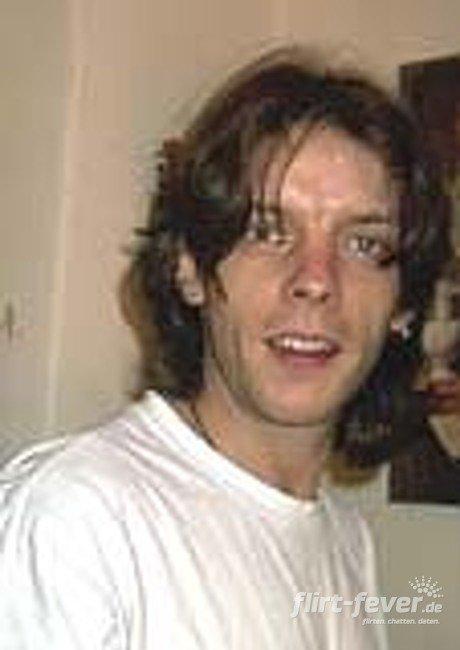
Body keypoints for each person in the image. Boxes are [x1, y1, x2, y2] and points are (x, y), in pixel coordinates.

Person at [0, 49, 450, 649]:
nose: (316, 280)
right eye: (267, 231)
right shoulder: (77, 520)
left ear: (403, 307)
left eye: (364, 244)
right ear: (189, 267)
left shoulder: (347, 544)